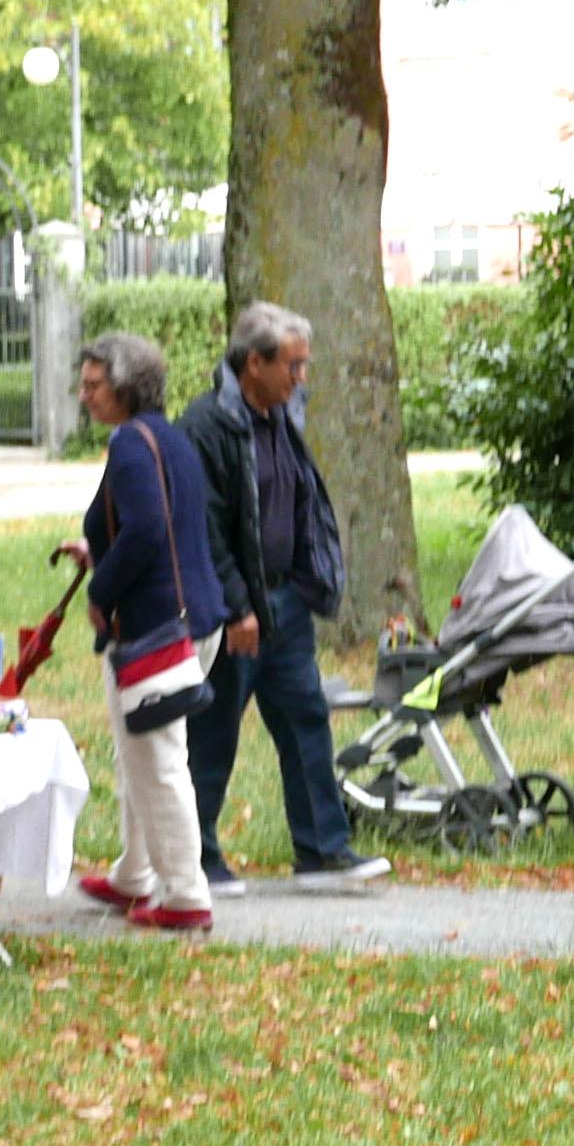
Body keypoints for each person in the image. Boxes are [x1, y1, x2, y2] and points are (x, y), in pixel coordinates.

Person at [181, 301, 388, 892]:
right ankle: (196, 857)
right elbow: (208, 526)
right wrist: (237, 606)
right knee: (214, 730)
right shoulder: (207, 427)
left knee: (306, 720)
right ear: (254, 363)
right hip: (236, 615)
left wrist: (303, 581)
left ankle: (322, 852)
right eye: (292, 366)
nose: (302, 378)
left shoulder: (281, 415)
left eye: (303, 366)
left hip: (287, 606)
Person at [69, 330, 225, 934]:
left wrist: (101, 590)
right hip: (192, 618)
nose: (84, 395)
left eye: (93, 384)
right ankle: (135, 874)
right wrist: (96, 550)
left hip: (155, 628)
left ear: (126, 386)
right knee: (140, 750)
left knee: (157, 760)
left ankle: (186, 894)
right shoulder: (170, 437)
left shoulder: (131, 447)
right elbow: (163, 525)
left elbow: (146, 532)